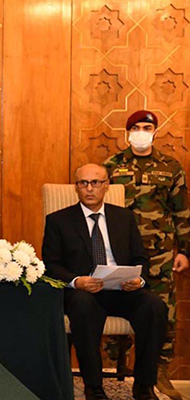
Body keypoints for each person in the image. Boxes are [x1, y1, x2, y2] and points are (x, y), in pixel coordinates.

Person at [43, 163, 167, 400]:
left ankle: (144, 386)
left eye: (96, 182)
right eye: (83, 183)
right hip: (84, 293)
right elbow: (51, 265)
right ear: (76, 187)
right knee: (82, 305)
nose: (90, 189)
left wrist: (137, 280)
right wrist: (77, 281)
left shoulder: (125, 218)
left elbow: (141, 258)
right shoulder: (59, 220)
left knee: (155, 306)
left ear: (106, 185)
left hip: (122, 290)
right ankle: (94, 388)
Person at [103, 110, 189, 400]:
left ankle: (160, 373)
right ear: (127, 132)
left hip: (160, 255)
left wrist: (184, 251)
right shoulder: (112, 166)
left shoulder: (171, 167)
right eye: (136, 127)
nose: (141, 131)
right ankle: (118, 367)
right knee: (119, 304)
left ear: (155, 131)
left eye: (147, 127)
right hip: (120, 253)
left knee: (164, 311)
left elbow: (181, 211)